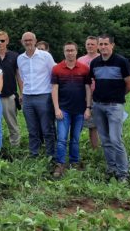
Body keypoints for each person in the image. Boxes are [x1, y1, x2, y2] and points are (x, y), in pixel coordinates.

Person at [88, 34, 130, 183]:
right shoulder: (95, 63)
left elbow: (129, 85)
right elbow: (92, 83)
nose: (103, 47)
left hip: (115, 106)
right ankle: (111, 167)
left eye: (106, 44)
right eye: (100, 44)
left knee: (116, 139)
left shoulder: (122, 62)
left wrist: (117, 97)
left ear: (112, 45)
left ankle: (123, 173)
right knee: (106, 140)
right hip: (98, 105)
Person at [51, 42, 92, 178]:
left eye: (72, 50)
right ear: (64, 52)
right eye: (67, 50)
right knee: (62, 138)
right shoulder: (57, 69)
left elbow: (87, 89)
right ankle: (60, 164)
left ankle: (74, 162)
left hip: (80, 110)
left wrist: (88, 108)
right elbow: (55, 89)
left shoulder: (84, 69)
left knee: (75, 138)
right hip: (63, 110)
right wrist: (56, 108)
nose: (70, 53)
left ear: (76, 51)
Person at [17, 32, 56, 158]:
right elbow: (22, 77)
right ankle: (34, 153)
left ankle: (51, 154)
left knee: (47, 128)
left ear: (35, 41)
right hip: (28, 97)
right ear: (22, 42)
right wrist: (22, 93)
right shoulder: (20, 58)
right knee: (32, 129)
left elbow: (54, 73)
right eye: (25, 40)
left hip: (44, 96)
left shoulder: (45, 56)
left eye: (30, 40)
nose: (28, 42)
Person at [0, 31, 21, 146]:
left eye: (2, 40)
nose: (0, 43)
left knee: (12, 123)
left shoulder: (15, 56)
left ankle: (15, 146)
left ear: (7, 41)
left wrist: (22, 93)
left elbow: (18, 76)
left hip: (9, 95)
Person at [77, 36, 100, 149]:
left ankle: (100, 149)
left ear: (97, 45)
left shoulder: (102, 58)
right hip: (84, 96)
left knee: (99, 125)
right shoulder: (80, 60)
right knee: (88, 124)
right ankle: (90, 148)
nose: (90, 46)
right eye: (88, 44)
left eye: (92, 44)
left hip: (100, 95)